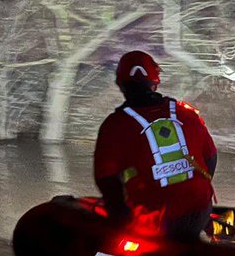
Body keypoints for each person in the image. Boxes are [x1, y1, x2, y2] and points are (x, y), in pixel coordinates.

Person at [93, 50, 217, 241]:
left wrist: (119, 216)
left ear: (121, 84)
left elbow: (105, 179)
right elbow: (210, 158)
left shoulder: (114, 126)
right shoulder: (186, 114)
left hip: (156, 223)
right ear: (155, 81)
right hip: (200, 212)